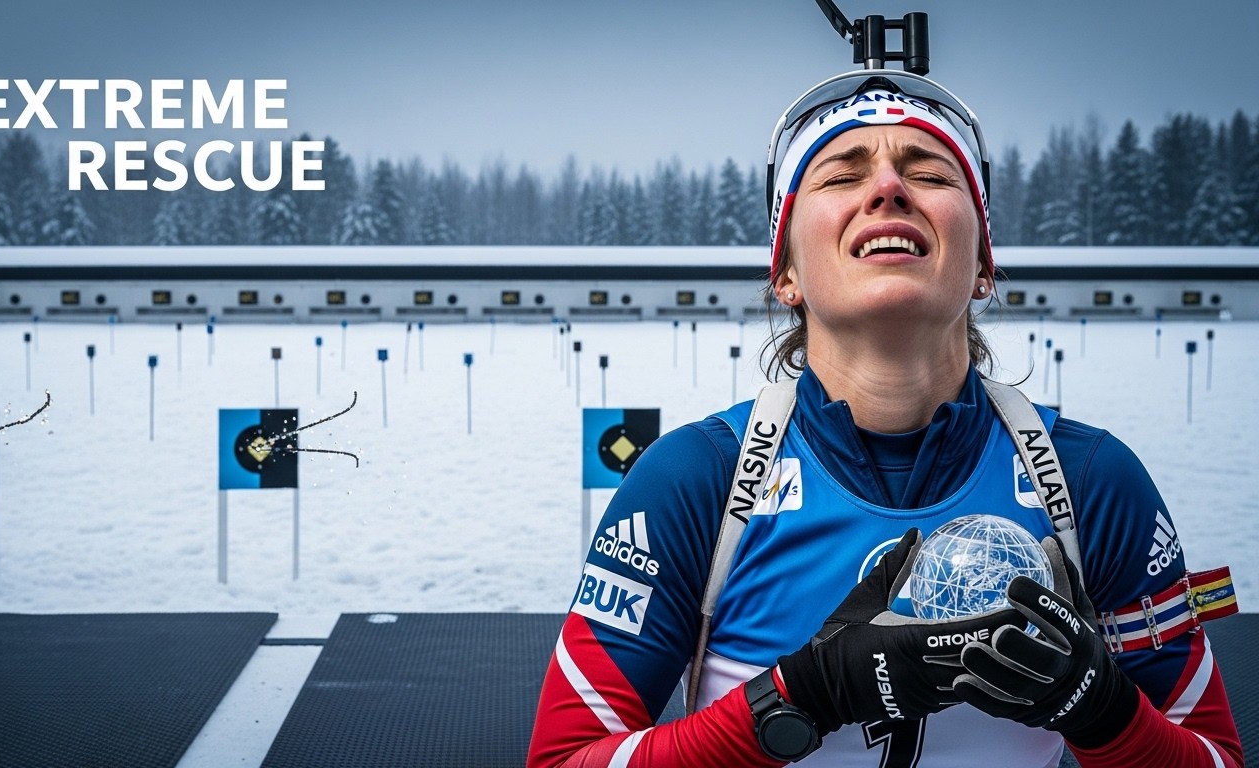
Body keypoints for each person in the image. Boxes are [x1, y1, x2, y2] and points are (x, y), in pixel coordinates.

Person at [527, 70, 1243, 767]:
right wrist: (800, 696)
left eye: (930, 173)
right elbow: (563, 760)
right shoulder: (695, 481)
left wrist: (1102, 711)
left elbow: (1212, 756)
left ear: (985, 266)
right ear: (786, 274)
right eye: (841, 175)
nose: (888, 188)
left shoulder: (1090, 480)